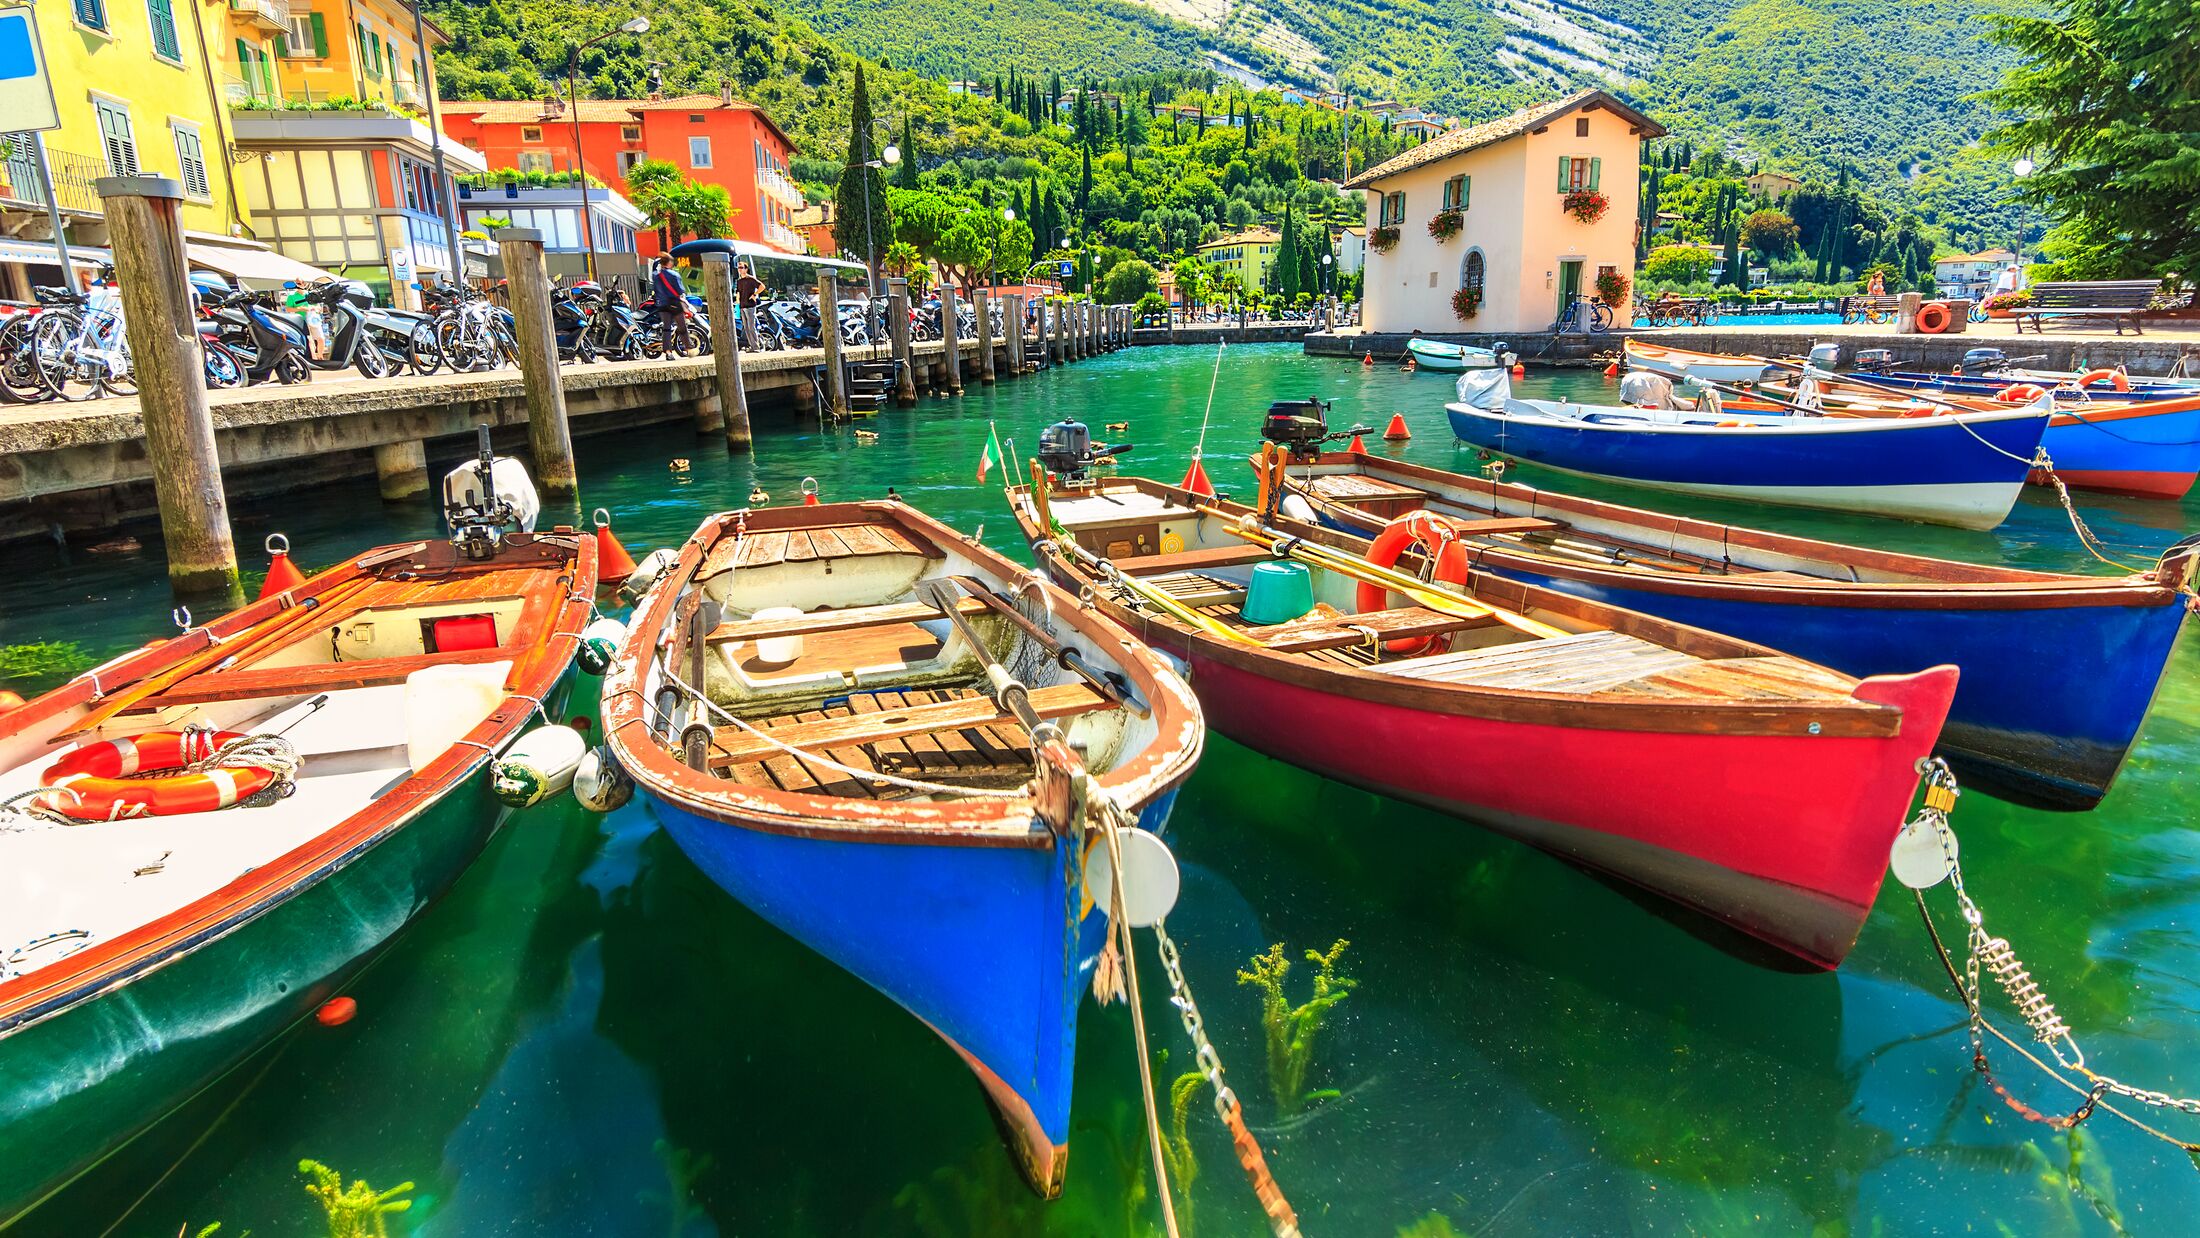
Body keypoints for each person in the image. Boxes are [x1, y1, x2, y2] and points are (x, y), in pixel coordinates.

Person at [649, 256, 687, 350]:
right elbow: (680, 290)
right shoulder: (674, 275)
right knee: (682, 327)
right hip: (674, 303)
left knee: (666, 328)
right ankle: (689, 348)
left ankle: (668, 351)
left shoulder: (656, 276)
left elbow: (655, 290)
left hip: (662, 305)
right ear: (669, 262)